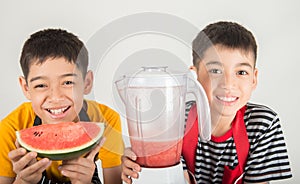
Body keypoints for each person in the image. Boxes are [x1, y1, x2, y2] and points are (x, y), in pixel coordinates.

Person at [121, 21, 292, 183]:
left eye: (241, 72)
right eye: (215, 71)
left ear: (254, 79)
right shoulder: (177, 119)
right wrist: (142, 167)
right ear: (193, 77)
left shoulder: (263, 124)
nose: (228, 84)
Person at [0, 29, 124, 184]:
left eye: (67, 83)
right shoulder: (12, 128)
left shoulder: (105, 120)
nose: (56, 97)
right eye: (41, 85)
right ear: (26, 88)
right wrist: (24, 181)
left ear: (87, 83)